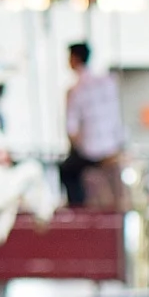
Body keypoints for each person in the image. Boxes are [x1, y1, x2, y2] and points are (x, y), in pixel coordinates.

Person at [60, 41, 125, 208]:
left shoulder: (75, 89)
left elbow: (71, 128)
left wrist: (77, 146)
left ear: (74, 59)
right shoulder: (107, 82)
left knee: (66, 170)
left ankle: (78, 210)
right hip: (112, 147)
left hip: (92, 151)